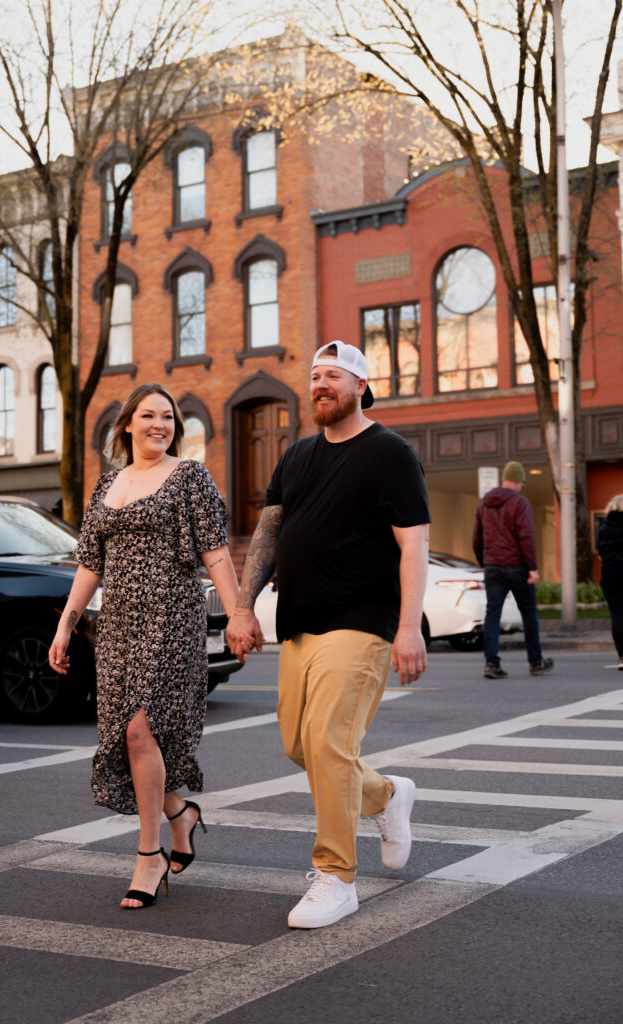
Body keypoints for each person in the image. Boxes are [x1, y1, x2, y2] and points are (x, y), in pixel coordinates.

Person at [226, 340, 430, 930]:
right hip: (299, 623)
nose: (321, 385)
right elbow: (267, 536)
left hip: (361, 623)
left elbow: (412, 543)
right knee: (302, 745)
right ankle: (386, 796)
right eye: (315, 376)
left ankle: (337, 877)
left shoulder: (390, 453)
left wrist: (409, 626)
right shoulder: (295, 458)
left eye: (333, 376)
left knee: (328, 743)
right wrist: (244, 608)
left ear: (361, 386)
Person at [49, 383, 240, 909]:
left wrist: (239, 610)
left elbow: (215, 553)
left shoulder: (189, 476)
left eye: (169, 417)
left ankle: (149, 854)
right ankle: (181, 814)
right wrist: (66, 625)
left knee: (139, 728)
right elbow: (91, 563)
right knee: (127, 739)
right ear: (128, 423)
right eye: (150, 415)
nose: (161, 425)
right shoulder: (107, 484)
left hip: (171, 618)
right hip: (117, 626)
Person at [472, 460, 554, 679]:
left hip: (493, 568)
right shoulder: (520, 503)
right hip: (517, 567)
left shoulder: (484, 504)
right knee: (528, 614)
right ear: (518, 481)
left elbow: (476, 539)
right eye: (522, 483)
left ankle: (491, 664)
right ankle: (536, 662)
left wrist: (484, 562)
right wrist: (533, 568)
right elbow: (526, 537)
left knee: (492, 615)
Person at [597, 493, 623, 670]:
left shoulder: (604, 526)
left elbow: (600, 552)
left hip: (610, 576)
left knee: (618, 616)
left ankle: (622, 657)